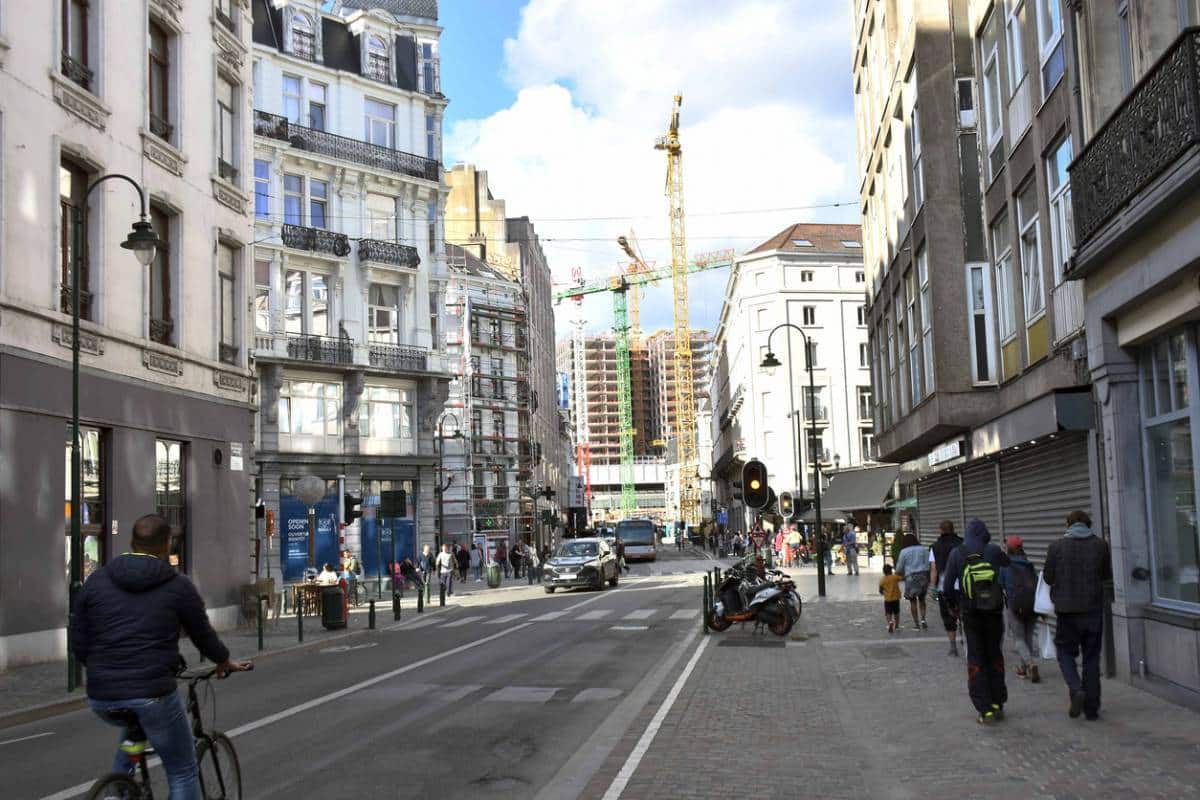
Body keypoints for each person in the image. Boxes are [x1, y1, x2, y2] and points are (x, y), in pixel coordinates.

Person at [73, 514, 251, 798]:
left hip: (101, 695)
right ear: (167, 544)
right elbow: (202, 634)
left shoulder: (97, 581)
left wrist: (100, 668)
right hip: (152, 692)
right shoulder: (178, 585)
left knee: (135, 725)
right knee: (182, 770)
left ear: (132, 542)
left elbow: (79, 639)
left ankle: (116, 792)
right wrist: (223, 660)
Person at [1044, 510, 1112, 721]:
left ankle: (1075, 688)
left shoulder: (1056, 547)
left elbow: (1048, 578)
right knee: (1091, 658)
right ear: (1088, 524)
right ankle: (1092, 709)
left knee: (1065, 652)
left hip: (1067, 612)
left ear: (1068, 525)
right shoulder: (1101, 545)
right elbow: (1106, 575)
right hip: (1092, 610)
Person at [942, 518, 1011, 724]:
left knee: (976, 657)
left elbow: (947, 587)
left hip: (970, 613)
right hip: (994, 613)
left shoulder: (957, 553)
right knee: (994, 655)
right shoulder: (994, 550)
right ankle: (997, 703)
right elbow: (1008, 570)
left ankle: (984, 709)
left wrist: (953, 606)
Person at [1000, 536, 1040, 683]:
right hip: (1032, 605)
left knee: (1018, 639)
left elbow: (1001, 585)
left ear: (1008, 549)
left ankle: (1030, 663)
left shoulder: (1005, 565)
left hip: (1015, 606)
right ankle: (1024, 669)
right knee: (1028, 638)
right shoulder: (1029, 564)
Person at [928, 520, 964, 656]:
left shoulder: (935, 547)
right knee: (964, 614)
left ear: (940, 530)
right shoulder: (963, 544)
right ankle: (965, 637)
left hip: (944, 588)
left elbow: (934, 569)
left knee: (948, 617)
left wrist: (932, 587)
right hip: (963, 586)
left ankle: (953, 647)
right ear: (953, 529)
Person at [894, 533, 930, 631]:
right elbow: (928, 564)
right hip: (923, 577)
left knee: (913, 601)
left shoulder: (904, 551)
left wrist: (898, 575)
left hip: (911, 578)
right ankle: (923, 620)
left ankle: (916, 624)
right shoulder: (923, 549)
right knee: (922, 599)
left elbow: (899, 568)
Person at [879, 563, 903, 634]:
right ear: (891, 571)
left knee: (888, 613)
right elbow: (902, 578)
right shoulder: (894, 577)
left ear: (883, 572)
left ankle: (890, 622)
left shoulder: (882, 580)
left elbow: (880, 589)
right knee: (896, 612)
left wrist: (882, 593)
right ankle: (897, 626)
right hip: (896, 599)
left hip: (887, 600)